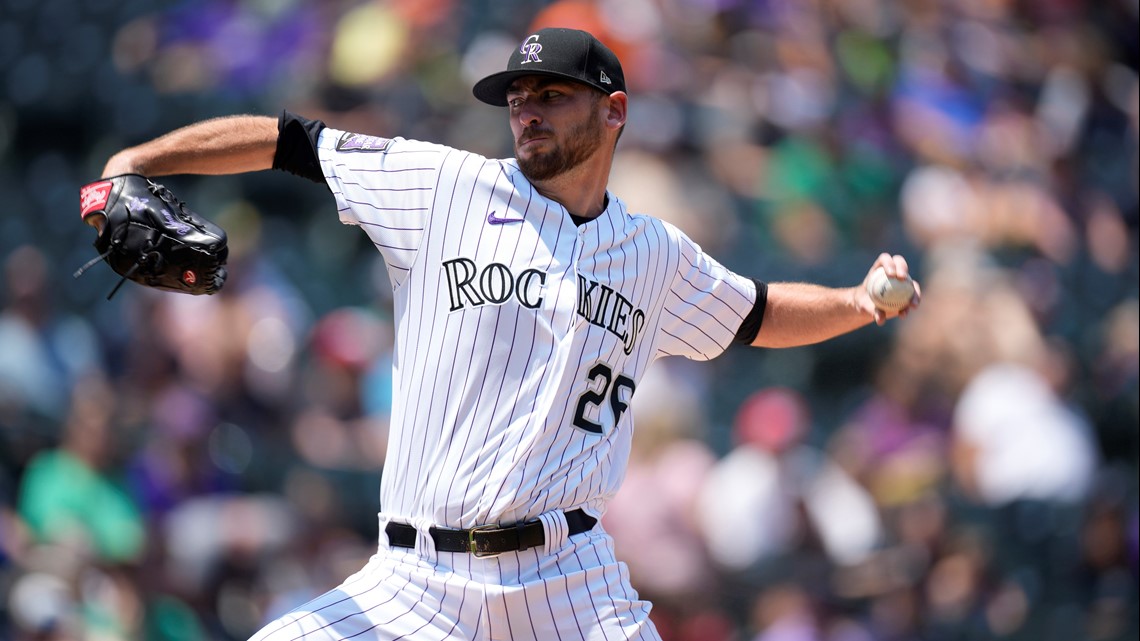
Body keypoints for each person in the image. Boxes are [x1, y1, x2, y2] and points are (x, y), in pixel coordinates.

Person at [94, 27, 919, 641]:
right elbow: (286, 140)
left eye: (551, 95)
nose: (526, 112)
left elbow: (758, 313)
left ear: (614, 110)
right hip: (417, 580)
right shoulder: (443, 184)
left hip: (570, 581)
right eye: (517, 98)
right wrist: (140, 155)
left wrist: (858, 302)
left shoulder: (655, 255)